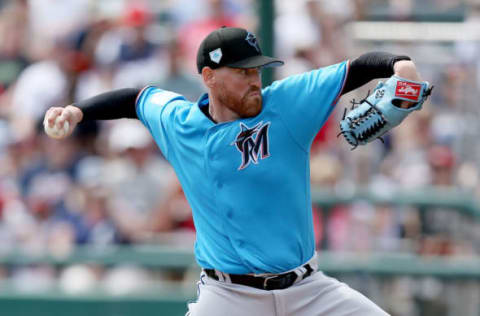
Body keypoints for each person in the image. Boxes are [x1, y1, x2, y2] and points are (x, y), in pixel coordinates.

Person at [43, 26, 425, 316]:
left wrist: (400, 65)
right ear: (209, 77)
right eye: (241, 72)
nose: (254, 80)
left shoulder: (287, 104)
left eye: (256, 70)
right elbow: (135, 99)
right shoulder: (179, 121)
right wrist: (77, 112)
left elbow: (357, 69)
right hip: (228, 298)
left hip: (310, 292)